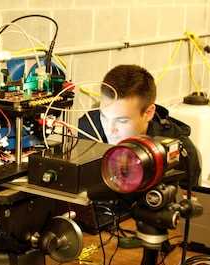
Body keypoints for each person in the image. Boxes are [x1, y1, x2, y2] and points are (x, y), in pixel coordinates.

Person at [78, 64, 201, 192]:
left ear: (149, 113)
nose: (110, 129)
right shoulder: (86, 129)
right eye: (103, 116)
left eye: (121, 121)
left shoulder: (179, 153)